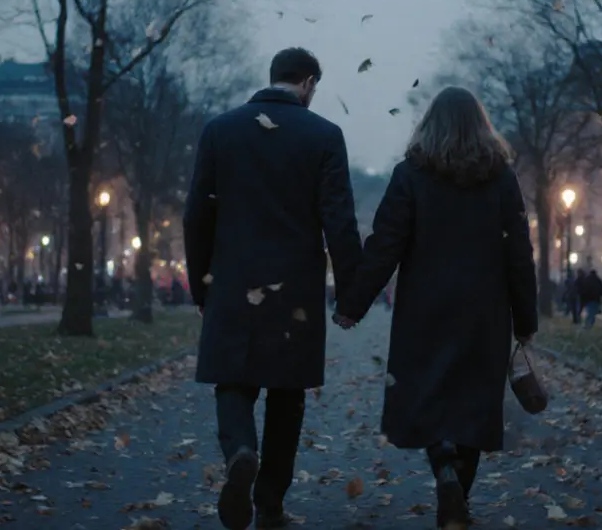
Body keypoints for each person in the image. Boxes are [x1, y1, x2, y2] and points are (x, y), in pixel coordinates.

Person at [334, 86, 539, 530]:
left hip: (424, 311)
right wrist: (525, 320)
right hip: (484, 312)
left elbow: (385, 246)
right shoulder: (501, 178)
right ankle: (457, 494)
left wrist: (353, 304)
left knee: (427, 398)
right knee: (471, 404)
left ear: (430, 124)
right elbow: (518, 253)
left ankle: (443, 466)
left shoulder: (411, 175)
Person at [184, 47, 362, 530]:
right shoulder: (324, 136)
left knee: (233, 381)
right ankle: (270, 506)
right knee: (288, 396)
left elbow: (198, 216)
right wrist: (351, 296)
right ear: (307, 83)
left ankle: (241, 450)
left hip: (232, 281)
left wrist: (201, 285)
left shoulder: (220, 131)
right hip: (295, 290)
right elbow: (339, 224)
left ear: (273, 78)